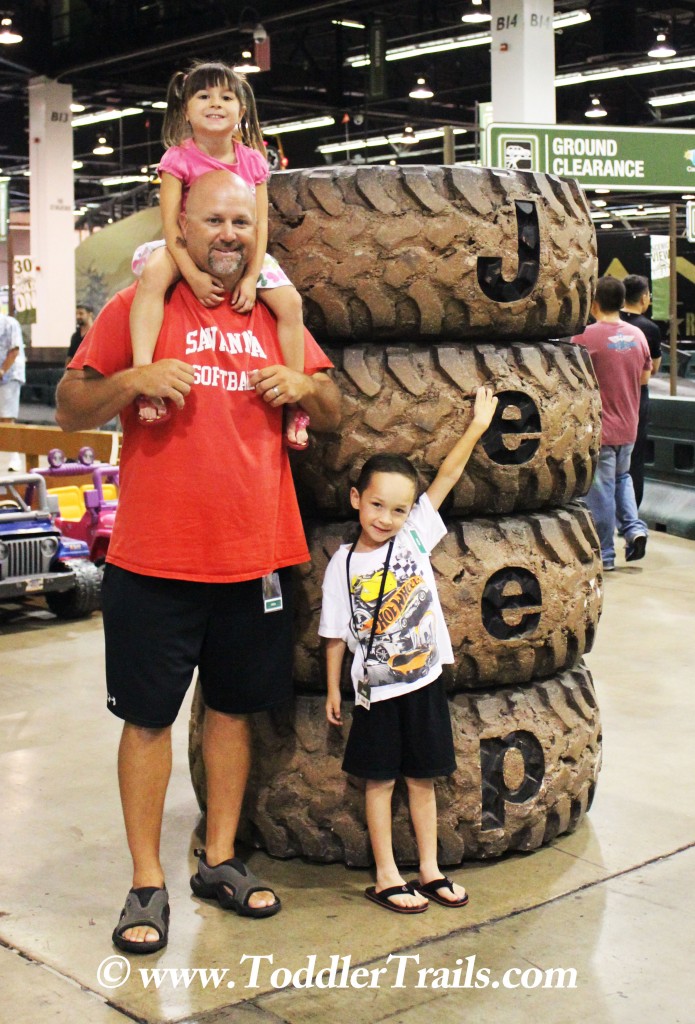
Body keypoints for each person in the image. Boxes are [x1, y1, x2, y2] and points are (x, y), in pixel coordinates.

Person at [55, 170, 341, 953]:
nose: (228, 234)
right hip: (154, 559)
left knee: (231, 712)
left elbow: (333, 402)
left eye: (241, 222)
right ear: (181, 228)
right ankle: (146, 882)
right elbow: (70, 403)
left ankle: (218, 860)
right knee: (146, 719)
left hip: (256, 558)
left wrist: (302, 389)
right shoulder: (138, 307)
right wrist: (131, 380)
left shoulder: (269, 312)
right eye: (213, 220)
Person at [319, 388, 498, 914]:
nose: (386, 517)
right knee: (379, 781)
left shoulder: (415, 539)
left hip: (422, 683)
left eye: (398, 509)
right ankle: (385, 874)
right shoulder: (342, 565)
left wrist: (478, 427)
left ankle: (429, 869)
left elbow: (444, 478)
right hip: (375, 692)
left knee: (423, 779)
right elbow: (333, 631)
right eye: (377, 505)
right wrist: (333, 686)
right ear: (356, 499)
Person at [129, 59, 308, 449]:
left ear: (241, 111)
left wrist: (250, 275)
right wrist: (191, 275)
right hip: (185, 248)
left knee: (291, 303)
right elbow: (171, 225)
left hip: (243, 255)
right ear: (187, 109)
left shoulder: (253, 162)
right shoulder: (178, 160)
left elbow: (259, 225)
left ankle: (295, 397)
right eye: (204, 96)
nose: (216, 103)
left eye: (226, 97)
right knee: (154, 276)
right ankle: (144, 375)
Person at [571, 276, 652, 571]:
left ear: (594, 304)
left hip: (601, 428)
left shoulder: (585, 337)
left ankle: (605, 554)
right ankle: (633, 529)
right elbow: (645, 377)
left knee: (601, 488)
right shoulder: (637, 336)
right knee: (623, 478)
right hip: (630, 424)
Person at [620, 274, 662, 508]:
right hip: (636, 398)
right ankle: (631, 515)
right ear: (644, 297)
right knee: (635, 458)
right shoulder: (649, 329)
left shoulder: (607, 325)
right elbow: (653, 369)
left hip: (607, 397)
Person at [0, 311, 26, 472]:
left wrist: (2, 370)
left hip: (10, 375)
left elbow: (14, 350)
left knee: (7, 416)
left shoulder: (10, 323)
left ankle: (15, 458)